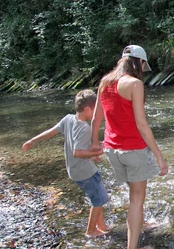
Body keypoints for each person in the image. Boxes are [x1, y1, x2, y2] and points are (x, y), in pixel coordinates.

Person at [90, 45, 168, 249]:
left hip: (112, 149)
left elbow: (96, 118)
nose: (144, 69)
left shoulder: (104, 82)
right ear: (139, 63)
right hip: (132, 149)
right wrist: (159, 156)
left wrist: (94, 145)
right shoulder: (135, 84)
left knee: (133, 191)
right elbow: (142, 125)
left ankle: (141, 223)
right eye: (144, 65)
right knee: (137, 198)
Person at [22, 89, 111, 237]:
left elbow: (51, 132)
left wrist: (32, 140)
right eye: (95, 109)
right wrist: (100, 152)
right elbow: (78, 153)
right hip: (85, 172)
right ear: (88, 109)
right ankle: (91, 231)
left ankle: (102, 226)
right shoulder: (84, 128)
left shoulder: (68, 119)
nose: (97, 114)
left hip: (74, 171)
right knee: (99, 200)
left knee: (95, 197)